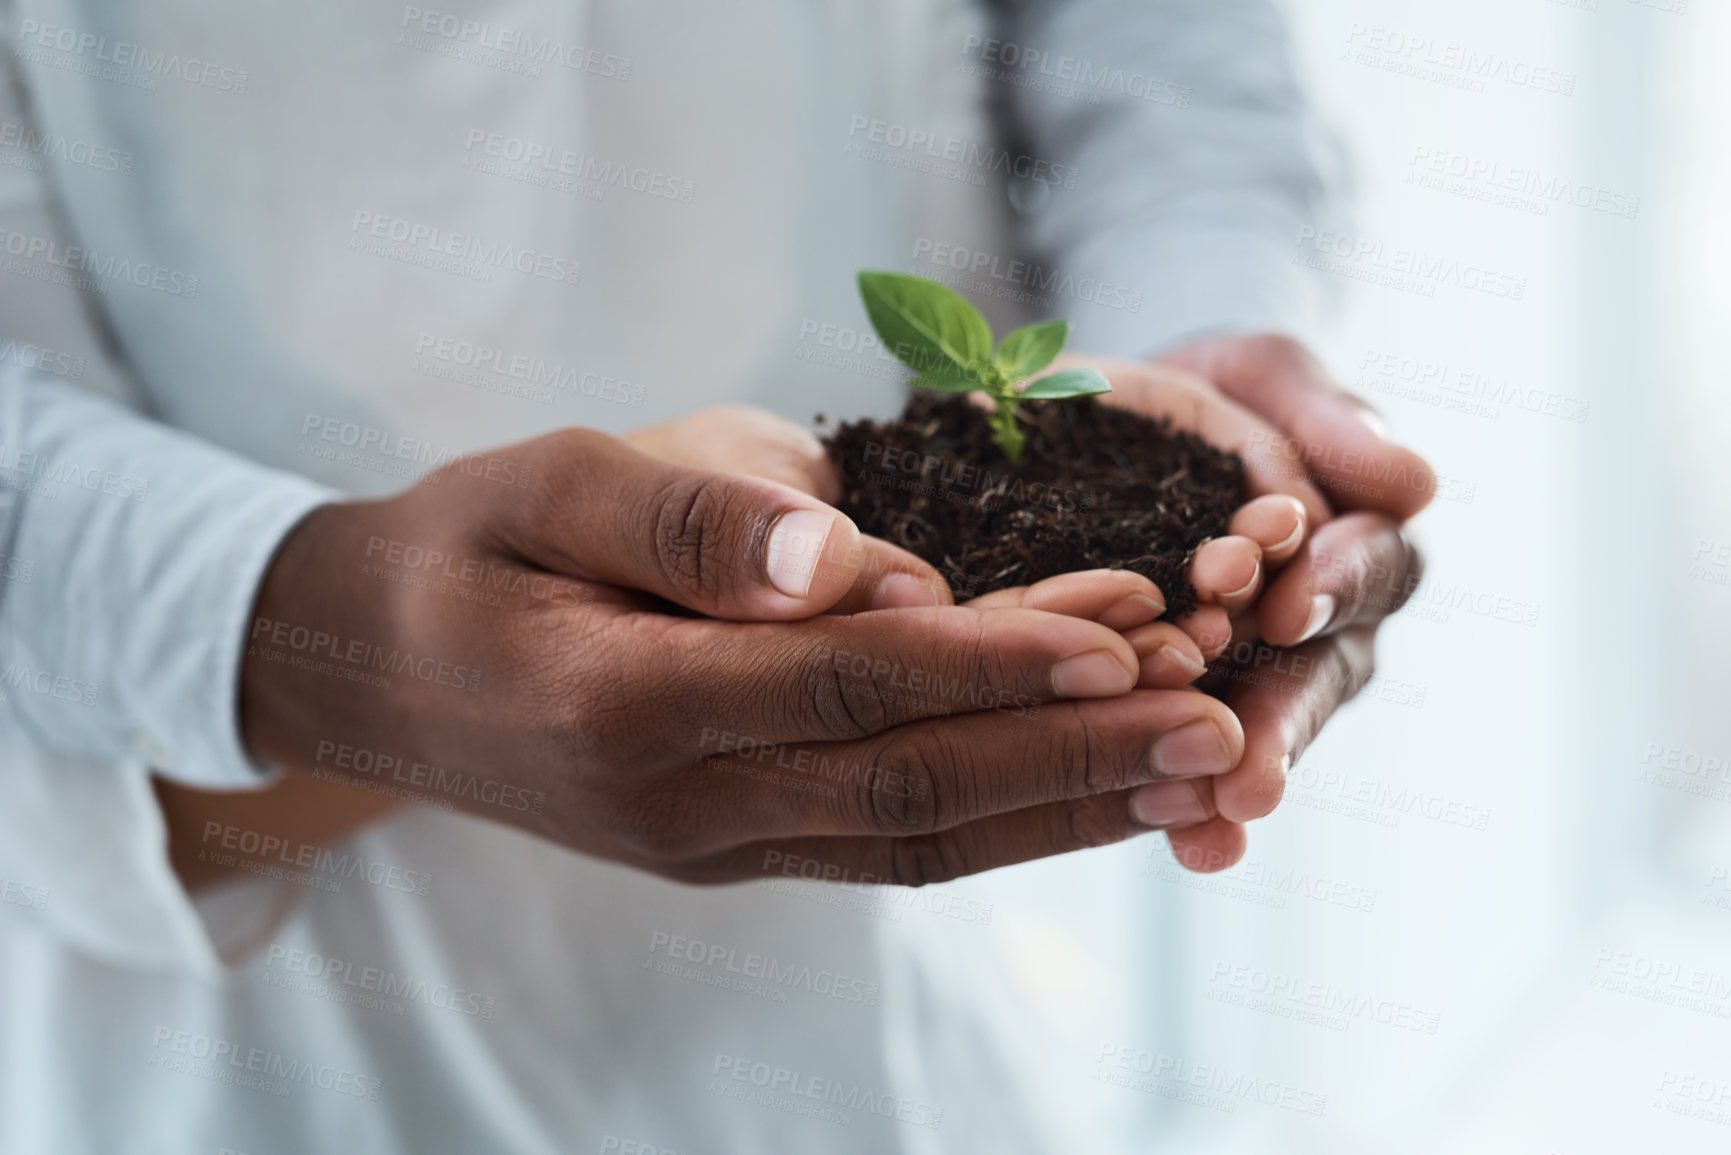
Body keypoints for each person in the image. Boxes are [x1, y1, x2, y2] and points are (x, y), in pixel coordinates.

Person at [0, 0, 1427, 1150]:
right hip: (231, 1050)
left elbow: (1145, 43)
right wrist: (339, 632)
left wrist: (1200, 334)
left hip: (893, 1027)